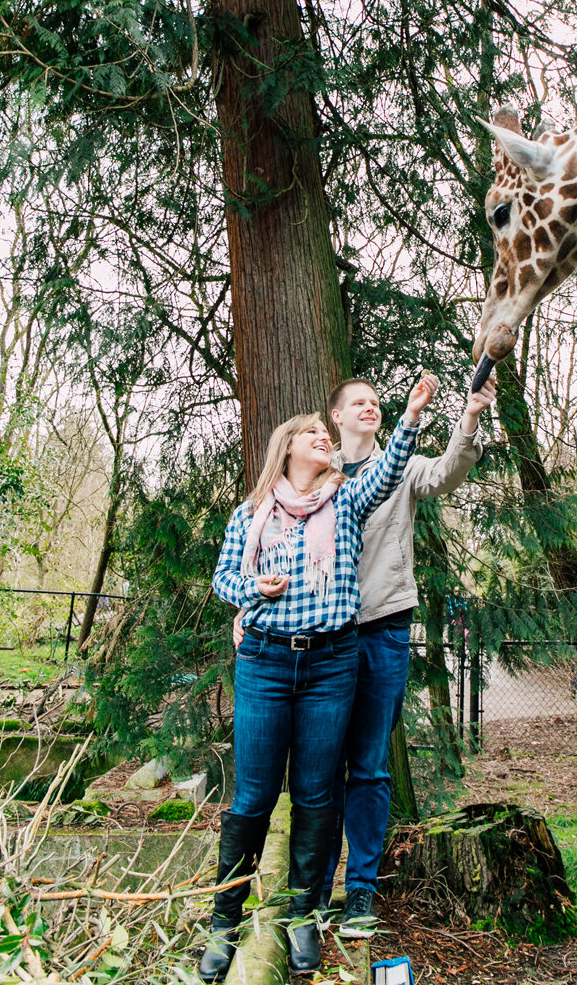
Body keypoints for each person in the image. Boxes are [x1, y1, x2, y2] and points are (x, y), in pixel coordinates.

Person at [199, 373, 437, 982]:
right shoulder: (251, 514)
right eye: (310, 433)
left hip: (332, 663)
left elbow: (386, 477)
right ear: (287, 448)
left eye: (321, 432)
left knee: (314, 794)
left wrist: (409, 418)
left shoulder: (348, 498)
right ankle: (225, 920)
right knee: (252, 796)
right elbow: (225, 579)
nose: (320, 438)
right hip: (265, 662)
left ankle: (302, 914)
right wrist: (254, 587)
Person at [321, 374, 496, 936]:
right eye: (358, 402)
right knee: (322, 766)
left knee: (369, 765)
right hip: (324, 635)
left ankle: (360, 894)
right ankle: (316, 890)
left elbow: (447, 472)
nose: (369, 407)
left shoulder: (402, 466)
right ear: (336, 419)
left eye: (376, 401)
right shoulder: (314, 477)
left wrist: (468, 418)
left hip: (384, 627)